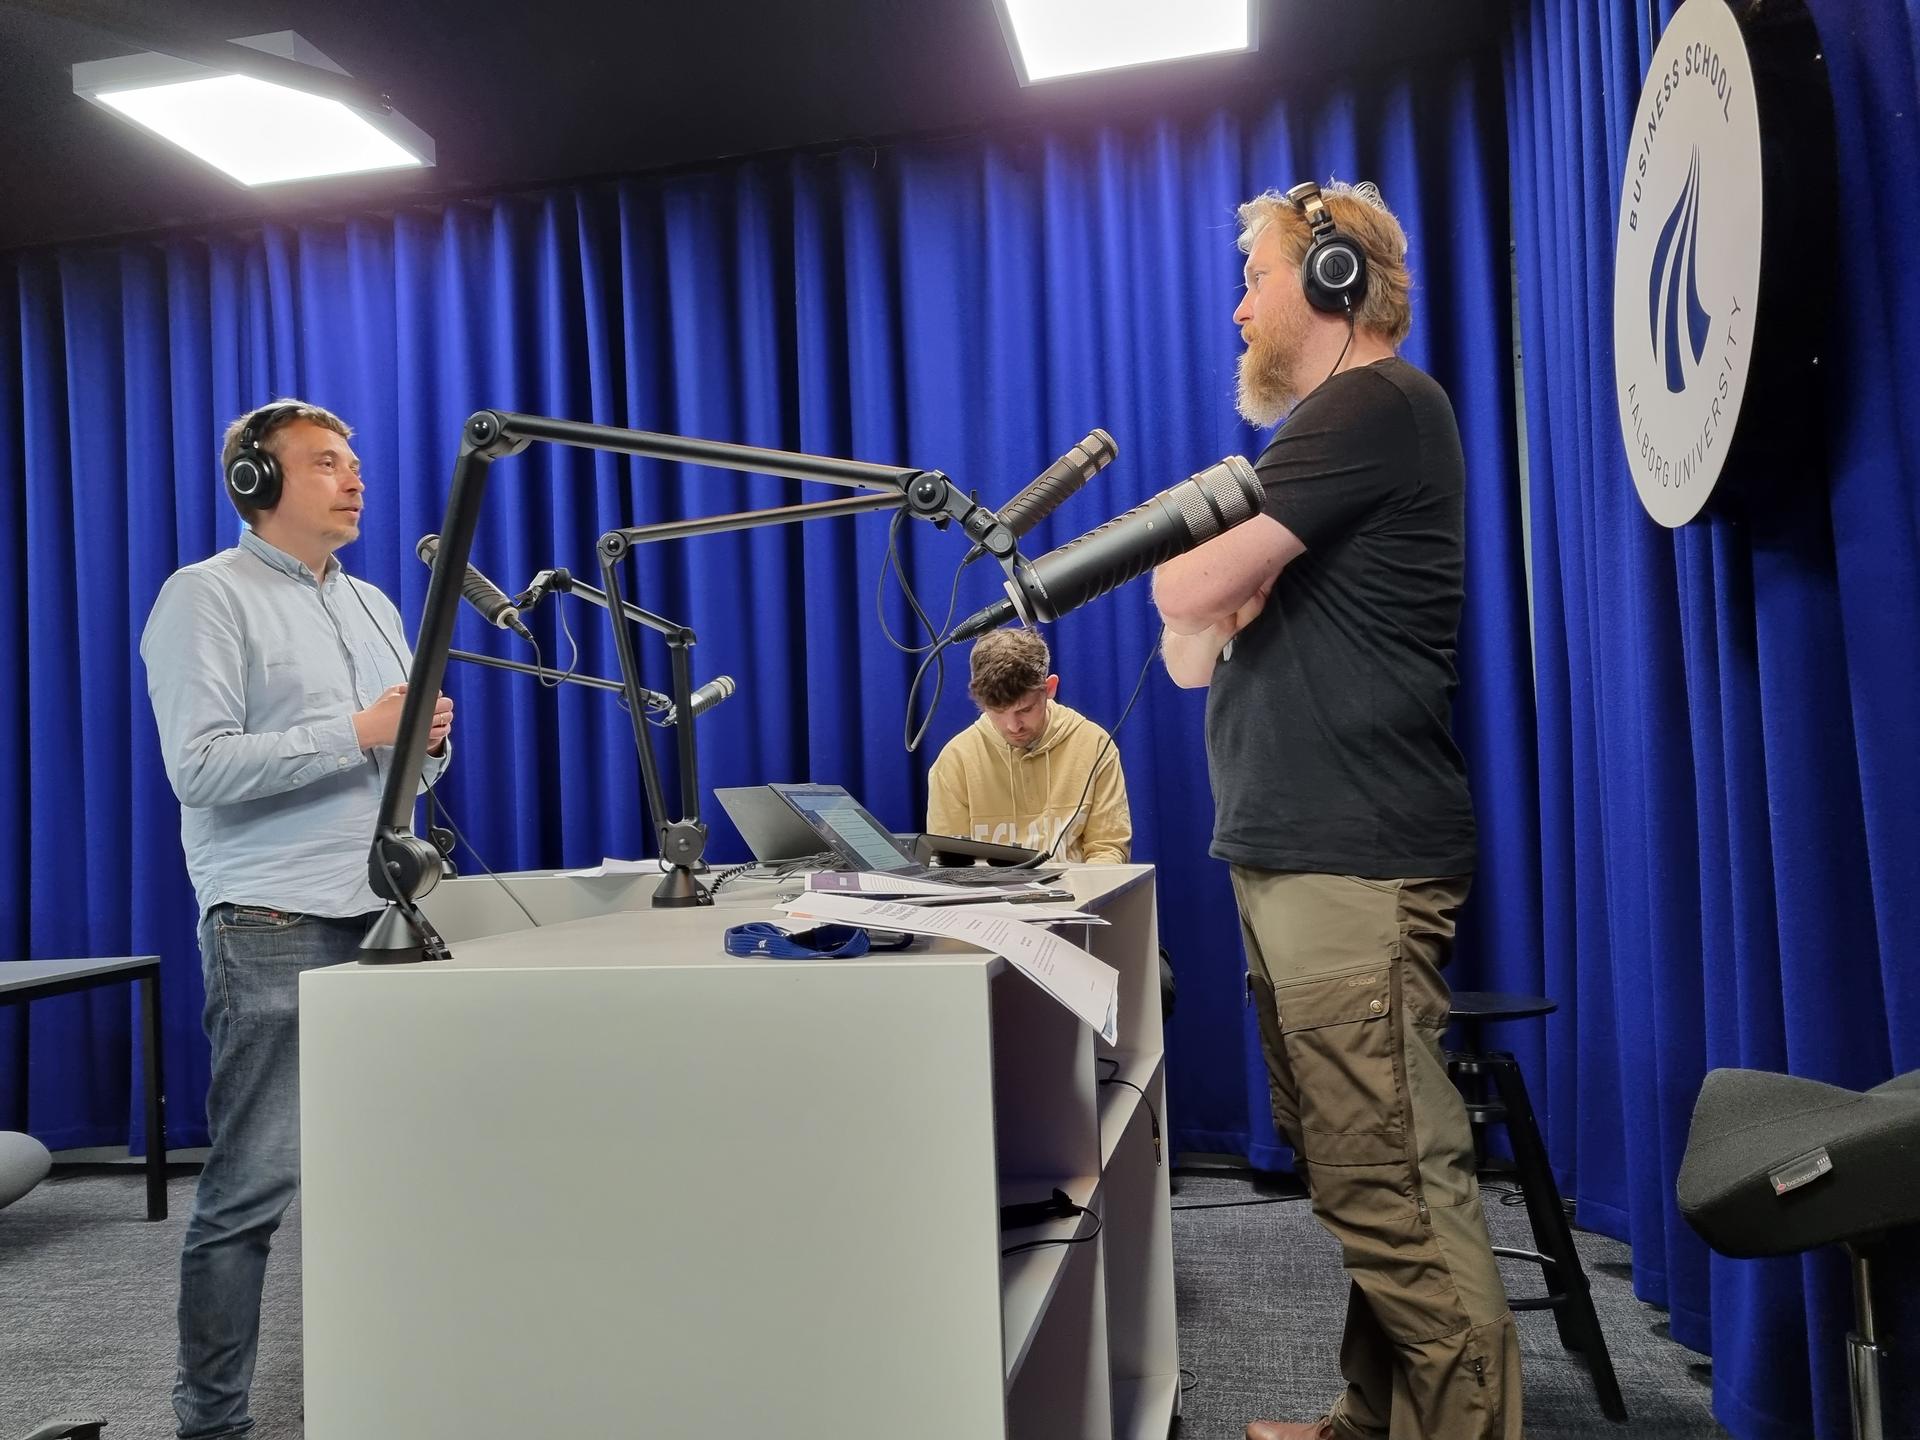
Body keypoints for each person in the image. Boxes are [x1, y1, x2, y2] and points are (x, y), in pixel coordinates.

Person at [1152, 181, 1519, 1439]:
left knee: (1394, 1187)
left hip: (1349, 866)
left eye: (1255, 279)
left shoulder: (1371, 406)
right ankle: (1375, 1418)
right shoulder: (1328, 440)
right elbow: (1189, 651)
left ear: (1332, 283)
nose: (1239, 309)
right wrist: (1210, 594)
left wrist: (1209, 585)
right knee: (1358, 1171)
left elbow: (1183, 595)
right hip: (1299, 859)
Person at [141, 399, 454, 1440]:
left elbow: (403, 768)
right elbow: (199, 768)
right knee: (251, 1191)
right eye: (324, 462)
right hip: (274, 920)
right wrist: (359, 729)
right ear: (257, 483)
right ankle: (212, 1425)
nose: (353, 478)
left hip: (389, 917)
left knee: (400, 1177)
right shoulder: (204, 597)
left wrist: (423, 744)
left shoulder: (373, 603)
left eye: (353, 462)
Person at [926, 625, 1131, 864]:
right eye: (997, 711)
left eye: (1025, 710)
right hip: (988, 890)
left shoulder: (1095, 745)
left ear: (1050, 688)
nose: (1013, 726)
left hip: (1079, 888)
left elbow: (1108, 849)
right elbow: (949, 865)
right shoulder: (955, 760)